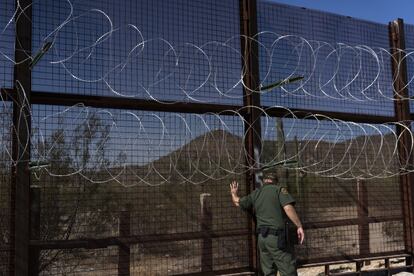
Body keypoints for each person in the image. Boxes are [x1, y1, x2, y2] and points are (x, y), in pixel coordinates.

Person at [230, 174, 304, 276]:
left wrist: (234, 193)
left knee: (268, 272)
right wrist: (299, 225)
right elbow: (288, 208)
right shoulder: (279, 190)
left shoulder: (256, 193)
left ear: (264, 181)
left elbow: (238, 202)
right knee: (288, 270)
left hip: (262, 239)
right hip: (277, 238)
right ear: (276, 180)